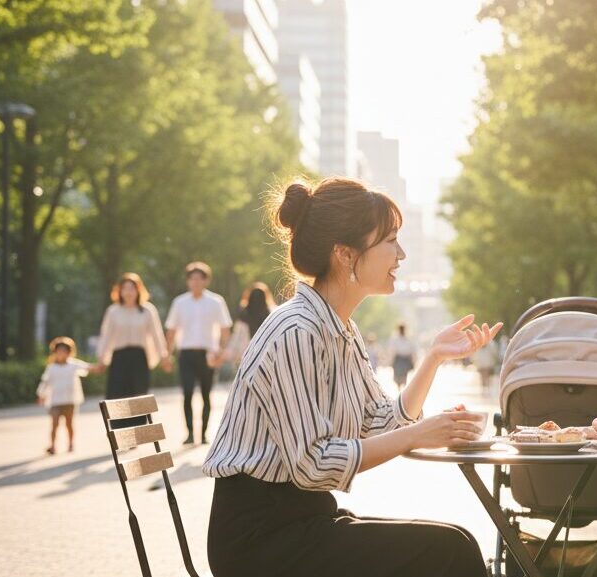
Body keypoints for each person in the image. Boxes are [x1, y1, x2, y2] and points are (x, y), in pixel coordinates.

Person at [202, 177, 503, 577]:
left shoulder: (339, 329)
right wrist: (418, 434)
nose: (401, 254)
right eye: (390, 241)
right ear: (345, 254)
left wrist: (433, 359)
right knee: (449, 551)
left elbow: (379, 421)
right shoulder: (298, 332)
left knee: (455, 544)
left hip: (303, 523)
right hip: (261, 540)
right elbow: (313, 463)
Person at [165, 261, 232, 445]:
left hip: (208, 355)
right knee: (186, 392)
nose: (195, 282)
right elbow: (171, 331)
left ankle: (202, 434)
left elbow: (225, 329)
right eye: (192, 278)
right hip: (186, 354)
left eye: (199, 278)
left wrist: (220, 351)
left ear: (205, 281)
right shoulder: (179, 302)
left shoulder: (215, 302)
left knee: (205, 394)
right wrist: (167, 355)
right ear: (188, 281)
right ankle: (189, 433)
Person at [96, 272, 170, 429]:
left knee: (138, 393)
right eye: (125, 288)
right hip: (119, 357)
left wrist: (164, 356)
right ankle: (119, 432)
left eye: (132, 288)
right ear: (120, 291)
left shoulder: (148, 310)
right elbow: (106, 335)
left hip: (139, 357)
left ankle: (138, 431)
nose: (129, 292)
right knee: (117, 393)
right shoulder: (113, 311)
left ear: (138, 290)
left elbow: (157, 335)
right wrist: (102, 358)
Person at [36, 337, 100, 454]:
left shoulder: (73, 365)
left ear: (69, 353)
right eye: (59, 351)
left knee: (69, 424)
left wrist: (100, 365)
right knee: (54, 424)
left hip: (70, 400)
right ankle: (53, 445)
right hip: (55, 400)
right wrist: (41, 395)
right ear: (55, 352)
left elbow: (88, 367)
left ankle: (71, 443)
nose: (61, 354)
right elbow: (45, 382)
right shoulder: (51, 368)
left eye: (64, 351)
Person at [223, 281, 276, 366]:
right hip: (268, 357)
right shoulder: (273, 314)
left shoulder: (244, 314)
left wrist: (228, 354)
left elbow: (236, 336)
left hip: (246, 356)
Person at [388, 323, 415, 391]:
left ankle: (401, 389)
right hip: (399, 359)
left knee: (403, 375)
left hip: (404, 359)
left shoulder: (407, 339)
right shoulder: (396, 339)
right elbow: (393, 350)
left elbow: (411, 350)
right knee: (398, 375)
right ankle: (399, 388)